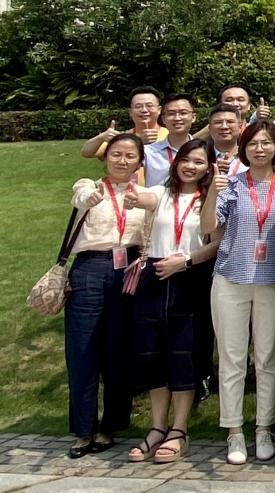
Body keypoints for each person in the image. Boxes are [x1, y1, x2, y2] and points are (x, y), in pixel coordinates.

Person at [200, 120, 275, 466]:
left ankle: (264, 427)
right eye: (253, 143)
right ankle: (234, 430)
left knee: (268, 358)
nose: (259, 149)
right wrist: (212, 190)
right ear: (243, 148)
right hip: (231, 278)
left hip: (272, 280)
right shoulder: (231, 184)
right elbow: (209, 226)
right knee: (232, 357)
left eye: (266, 142)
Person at [127, 138, 221, 465]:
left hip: (190, 276)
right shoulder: (161, 192)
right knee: (153, 353)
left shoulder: (210, 199)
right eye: (186, 159)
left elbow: (216, 242)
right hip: (155, 275)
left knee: (184, 354)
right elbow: (141, 197)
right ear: (176, 162)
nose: (190, 166)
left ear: (209, 167)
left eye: (199, 161)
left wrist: (186, 262)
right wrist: (129, 190)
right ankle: (157, 427)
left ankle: (179, 429)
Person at [64, 133, 148, 459]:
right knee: (83, 351)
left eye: (130, 156)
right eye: (116, 154)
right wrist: (92, 196)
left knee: (119, 351)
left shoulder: (145, 195)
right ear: (105, 157)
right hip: (90, 268)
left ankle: (111, 426)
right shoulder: (88, 185)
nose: (122, 161)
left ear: (139, 162)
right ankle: (83, 429)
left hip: (129, 269)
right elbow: (81, 198)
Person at [80, 87, 168, 181]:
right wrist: (102, 137)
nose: (144, 110)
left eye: (149, 105)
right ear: (130, 112)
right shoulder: (122, 139)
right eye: (138, 106)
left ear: (159, 110)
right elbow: (86, 153)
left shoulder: (170, 136)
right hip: (125, 188)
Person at [143, 93, 198, 188]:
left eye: (183, 113)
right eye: (171, 113)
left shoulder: (204, 152)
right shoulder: (148, 152)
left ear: (193, 117)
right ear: (163, 119)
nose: (177, 118)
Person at [208, 105, 246, 179]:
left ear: (240, 127)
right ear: (209, 128)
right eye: (218, 122)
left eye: (230, 122)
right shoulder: (202, 157)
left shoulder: (250, 156)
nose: (224, 127)